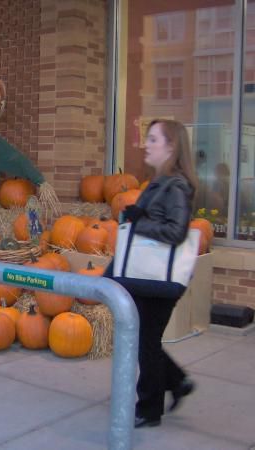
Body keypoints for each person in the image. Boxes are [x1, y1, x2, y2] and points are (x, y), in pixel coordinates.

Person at [108, 119, 198, 428]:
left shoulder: (177, 186)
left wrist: (137, 222)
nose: (146, 144)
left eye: (153, 139)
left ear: (171, 147)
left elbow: (177, 231)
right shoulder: (159, 183)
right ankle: (176, 382)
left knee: (144, 342)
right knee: (145, 340)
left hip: (158, 279)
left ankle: (149, 409)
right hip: (146, 275)